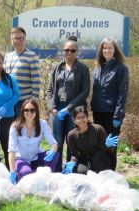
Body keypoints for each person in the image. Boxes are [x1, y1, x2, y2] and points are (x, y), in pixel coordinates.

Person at [46, 38, 90, 172]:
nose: (69, 53)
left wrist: (68, 108)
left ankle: (71, 170)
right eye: (66, 50)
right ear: (63, 51)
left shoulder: (83, 68)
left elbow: (85, 91)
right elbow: (49, 91)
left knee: (72, 140)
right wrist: (52, 107)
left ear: (77, 52)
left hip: (73, 111)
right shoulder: (56, 68)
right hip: (56, 111)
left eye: (72, 50)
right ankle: (56, 170)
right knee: (57, 140)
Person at [91, 37, 129, 170]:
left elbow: (122, 93)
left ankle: (111, 175)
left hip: (112, 114)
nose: (107, 50)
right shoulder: (97, 68)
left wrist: (118, 115)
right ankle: (101, 172)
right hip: (98, 112)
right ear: (101, 51)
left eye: (110, 48)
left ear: (115, 50)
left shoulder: (121, 69)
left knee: (111, 146)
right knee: (100, 144)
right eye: (104, 48)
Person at [8, 99, 59, 184]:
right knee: (26, 172)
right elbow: (11, 150)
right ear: (22, 112)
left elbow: (53, 143)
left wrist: (53, 151)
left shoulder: (42, 124)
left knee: (56, 155)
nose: (29, 112)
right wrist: (12, 171)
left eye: (32, 110)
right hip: (21, 159)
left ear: (36, 111)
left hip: (36, 158)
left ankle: (47, 179)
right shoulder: (15, 126)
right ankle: (22, 175)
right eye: (26, 110)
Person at [63, 106, 118, 175]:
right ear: (74, 120)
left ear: (87, 117)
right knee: (81, 172)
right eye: (78, 118)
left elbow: (110, 151)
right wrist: (72, 162)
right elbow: (75, 154)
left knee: (99, 158)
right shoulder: (71, 135)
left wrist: (108, 146)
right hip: (85, 160)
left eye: (83, 117)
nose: (81, 120)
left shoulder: (98, 129)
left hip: (100, 159)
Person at [4, 27, 41, 117]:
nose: (19, 41)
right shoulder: (7, 56)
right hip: (9, 100)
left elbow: (36, 80)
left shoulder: (32, 55)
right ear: (11, 40)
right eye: (16, 38)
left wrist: (33, 101)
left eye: (22, 38)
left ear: (25, 39)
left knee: (23, 128)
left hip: (24, 101)